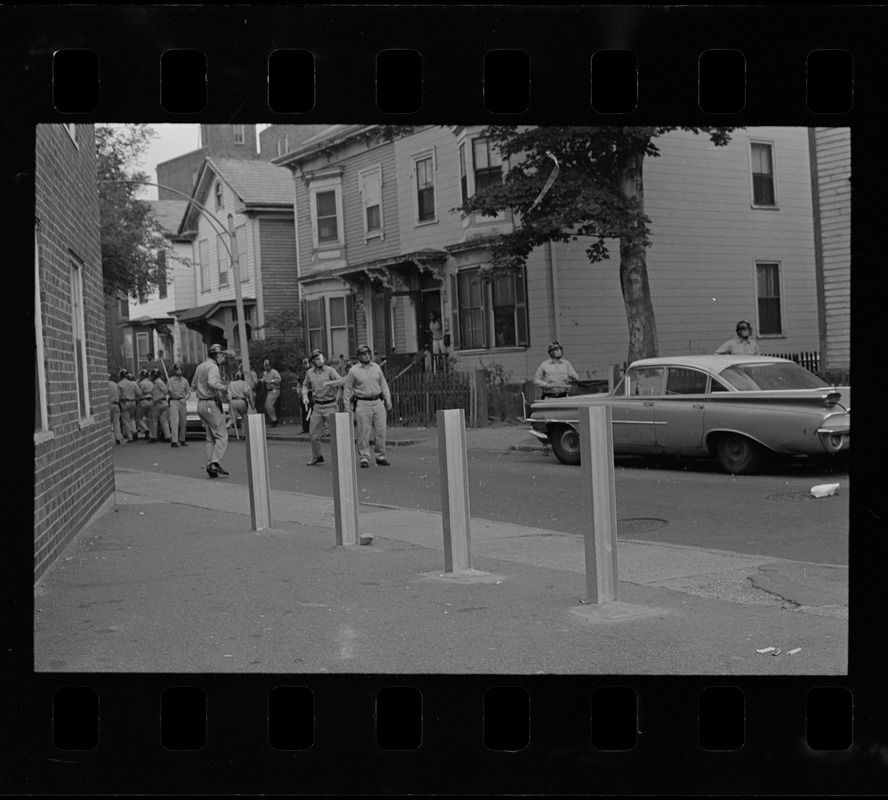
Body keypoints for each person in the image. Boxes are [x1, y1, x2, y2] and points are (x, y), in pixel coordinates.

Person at [329, 344, 392, 468]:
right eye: (363, 354)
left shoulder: (377, 368)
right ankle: (364, 457)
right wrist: (347, 406)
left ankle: (380, 456)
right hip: (363, 402)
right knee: (364, 431)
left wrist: (387, 399)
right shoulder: (354, 371)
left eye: (368, 353)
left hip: (377, 401)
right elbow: (347, 389)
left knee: (381, 430)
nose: (367, 356)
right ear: (359, 356)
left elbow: (383, 384)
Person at [191, 344, 230, 478]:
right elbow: (213, 383)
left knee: (210, 437)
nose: (223, 358)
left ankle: (210, 464)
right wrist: (223, 388)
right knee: (222, 435)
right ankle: (215, 462)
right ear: (217, 355)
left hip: (201, 403)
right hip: (211, 403)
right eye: (222, 355)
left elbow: (194, 385)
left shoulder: (200, 366)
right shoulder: (213, 367)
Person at [301, 349, 343, 466]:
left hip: (330, 405)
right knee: (313, 434)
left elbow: (341, 381)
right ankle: (317, 457)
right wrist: (305, 396)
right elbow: (305, 385)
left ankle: (340, 457)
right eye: (318, 359)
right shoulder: (310, 373)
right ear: (313, 361)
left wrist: (330, 383)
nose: (321, 361)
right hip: (317, 406)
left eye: (322, 358)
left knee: (336, 434)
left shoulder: (330, 370)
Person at [166, 362, 191, 448]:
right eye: (177, 369)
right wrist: (168, 390)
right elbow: (165, 392)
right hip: (174, 401)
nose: (179, 371)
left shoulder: (185, 381)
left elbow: (188, 392)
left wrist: (186, 398)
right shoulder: (170, 380)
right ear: (174, 370)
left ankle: (182, 439)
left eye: (180, 369)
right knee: (174, 422)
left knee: (183, 422)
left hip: (182, 401)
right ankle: (174, 441)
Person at [227, 368, 255, 437]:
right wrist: (252, 405)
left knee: (232, 417)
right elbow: (247, 392)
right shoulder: (244, 384)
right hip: (241, 401)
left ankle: (227, 425)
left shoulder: (231, 384)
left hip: (233, 401)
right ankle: (244, 434)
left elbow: (227, 393)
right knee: (244, 417)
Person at [117, 369, 141, 442]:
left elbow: (118, 395)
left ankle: (130, 437)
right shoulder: (133, 383)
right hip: (133, 402)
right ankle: (134, 430)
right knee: (132, 418)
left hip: (124, 402)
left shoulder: (119, 384)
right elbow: (139, 393)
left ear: (120, 376)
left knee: (126, 420)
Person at [147, 368, 171, 443]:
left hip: (158, 403)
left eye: (152, 375)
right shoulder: (156, 382)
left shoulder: (158, 382)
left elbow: (165, 391)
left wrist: (168, 390)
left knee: (154, 421)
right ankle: (167, 436)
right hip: (163, 403)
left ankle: (153, 437)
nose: (151, 376)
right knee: (164, 421)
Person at [261, 359, 282, 427]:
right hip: (269, 390)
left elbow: (279, 379)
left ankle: (274, 419)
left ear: (270, 365)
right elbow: (264, 379)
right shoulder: (265, 373)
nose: (266, 367)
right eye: (265, 366)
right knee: (267, 405)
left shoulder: (274, 372)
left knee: (268, 405)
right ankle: (273, 419)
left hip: (275, 389)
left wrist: (271, 381)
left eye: (267, 365)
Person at [136, 369, 154, 440]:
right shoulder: (151, 383)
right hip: (151, 401)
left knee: (138, 418)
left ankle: (146, 429)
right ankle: (151, 433)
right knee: (149, 418)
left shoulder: (141, 383)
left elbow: (139, 393)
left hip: (143, 400)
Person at [107, 373, 123, 444]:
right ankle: (118, 438)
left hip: (108, 405)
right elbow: (119, 394)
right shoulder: (115, 384)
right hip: (116, 405)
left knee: (108, 423)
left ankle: (108, 438)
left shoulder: (104, 385)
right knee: (116, 422)